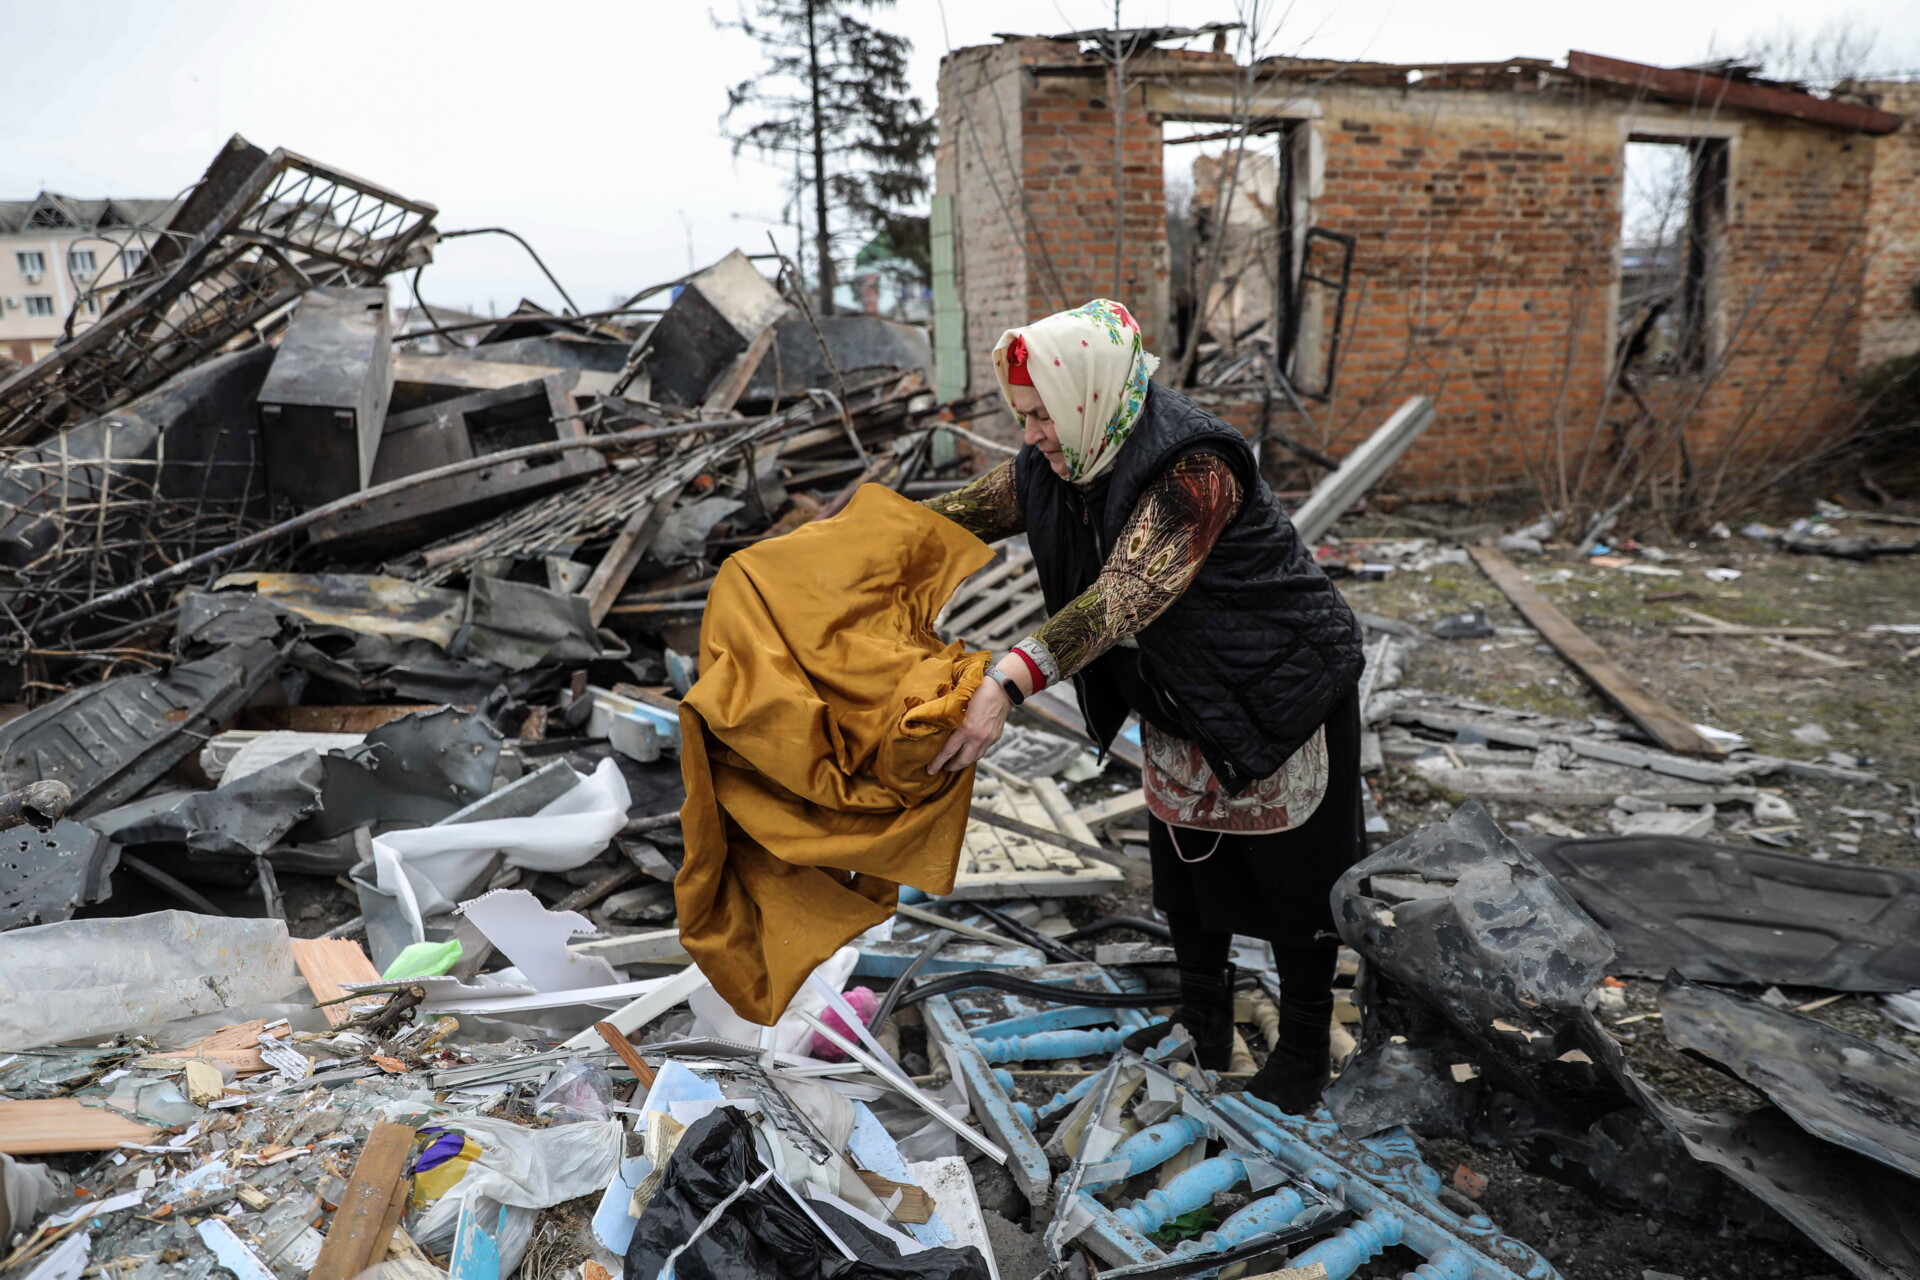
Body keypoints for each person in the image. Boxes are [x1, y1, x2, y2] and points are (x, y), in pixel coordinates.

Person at [919, 298, 1365, 1113]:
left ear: (1083, 396)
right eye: (1022, 419)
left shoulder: (1194, 470)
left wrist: (1005, 682)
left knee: (1296, 882)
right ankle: (1204, 1027)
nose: (1030, 437)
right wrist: (845, 547)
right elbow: (946, 521)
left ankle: (1302, 1050)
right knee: (1189, 872)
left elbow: (1127, 593)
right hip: (1182, 694)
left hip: (1277, 686)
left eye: (1039, 418)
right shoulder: (1060, 460)